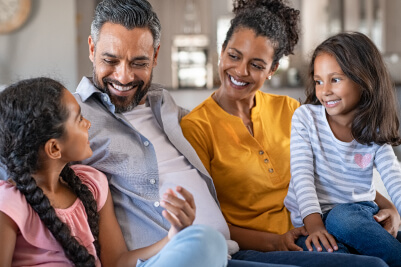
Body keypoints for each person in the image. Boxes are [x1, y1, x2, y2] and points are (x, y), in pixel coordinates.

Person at [180, 0, 396, 266]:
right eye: (234, 55)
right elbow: (207, 222)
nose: (240, 71)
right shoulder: (195, 127)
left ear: (273, 70)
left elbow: (340, 171)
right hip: (261, 250)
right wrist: (277, 241)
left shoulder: (291, 110)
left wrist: (389, 208)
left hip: (322, 230)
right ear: (222, 51)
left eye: (257, 64)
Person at [0, 77, 230, 267]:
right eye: (79, 119)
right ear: (54, 148)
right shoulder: (9, 204)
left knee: (208, 242)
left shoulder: (91, 184)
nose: (88, 123)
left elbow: (118, 262)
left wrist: (174, 236)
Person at [283, 32, 401, 267]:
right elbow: (302, 177)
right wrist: (314, 225)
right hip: (312, 221)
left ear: (364, 80)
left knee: (341, 218)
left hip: (357, 216)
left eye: (335, 79)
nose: (324, 90)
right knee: (326, 252)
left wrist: (395, 211)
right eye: (318, 81)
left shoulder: (373, 129)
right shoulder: (306, 118)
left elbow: (394, 178)